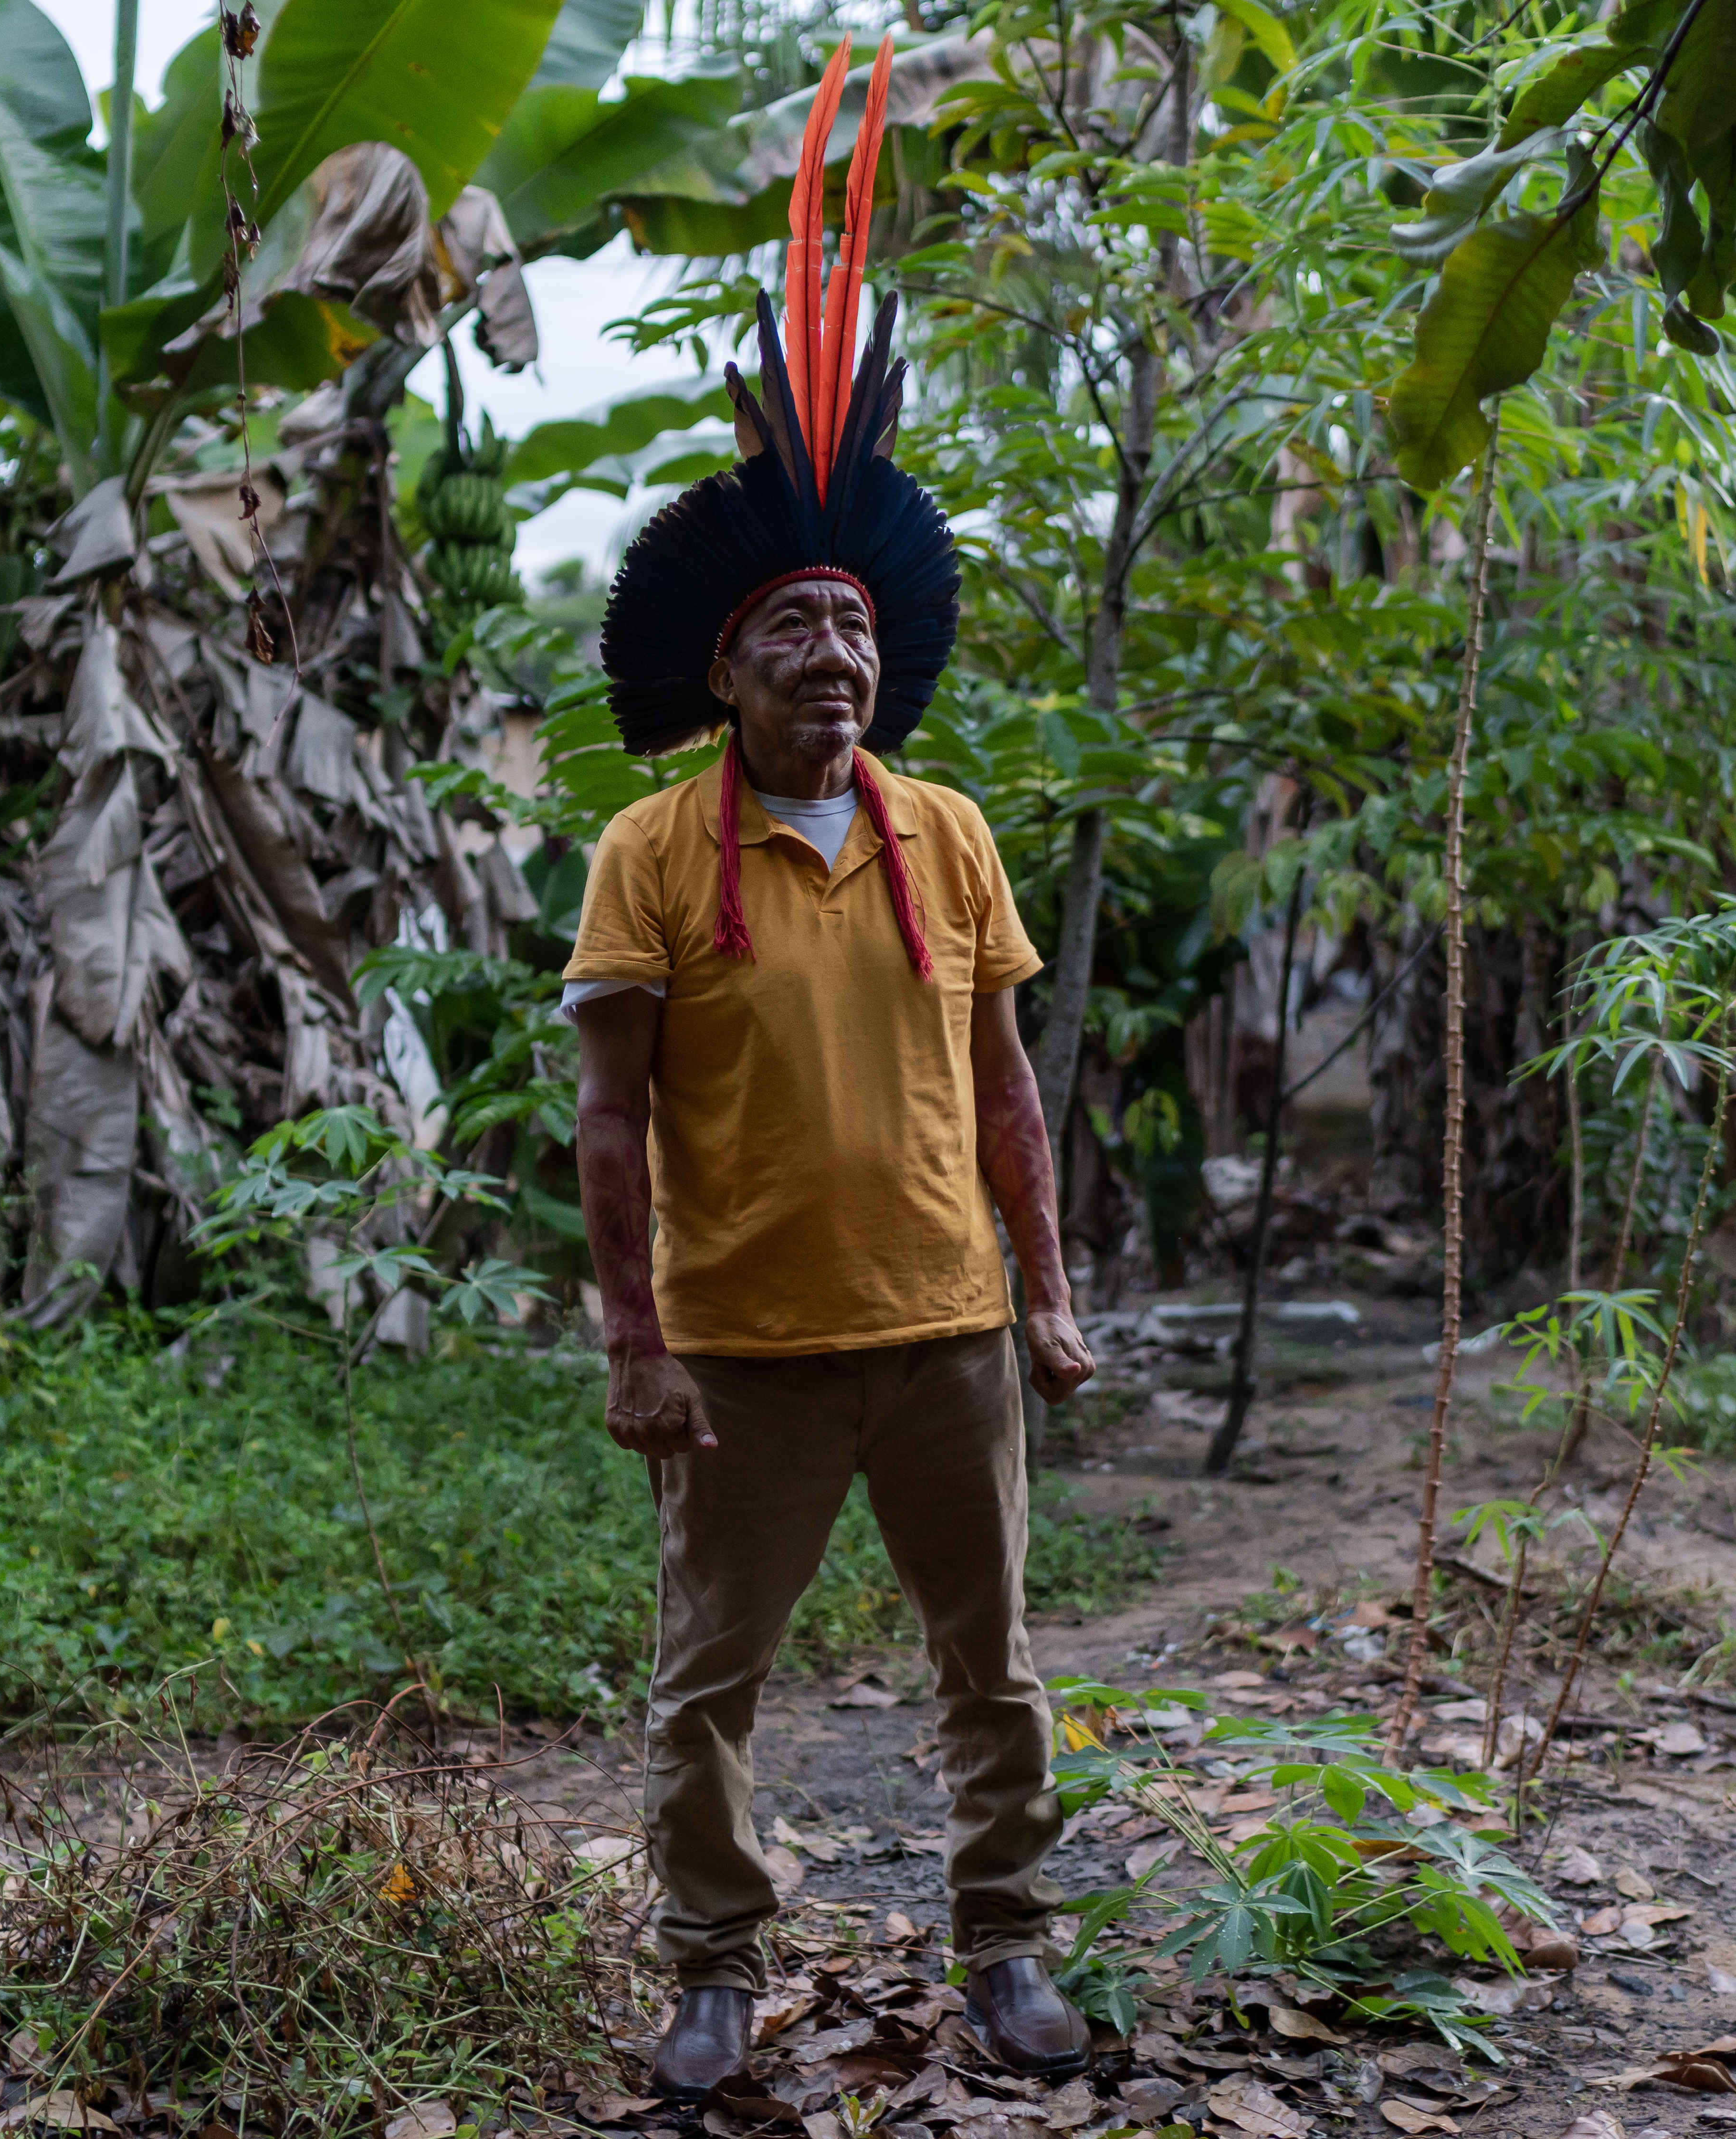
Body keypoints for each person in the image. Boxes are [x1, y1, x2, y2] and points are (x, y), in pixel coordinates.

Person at [561, 33, 1101, 2102]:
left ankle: (1008, 1954)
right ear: (726, 666)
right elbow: (609, 1116)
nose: (835, 662)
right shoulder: (647, 852)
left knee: (997, 1671)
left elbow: (1005, 1087)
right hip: (748, 1344)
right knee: (712, 1676)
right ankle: (711, 1963)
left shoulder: (943, 831)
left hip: (947, 1326)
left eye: (858, 633)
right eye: (794, 630)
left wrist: (1044, 1287)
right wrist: (635, 1339)